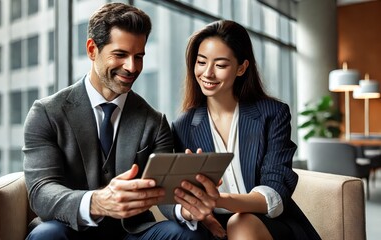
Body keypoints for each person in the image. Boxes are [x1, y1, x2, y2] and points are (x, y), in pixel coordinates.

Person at [22, 3, 210, 239]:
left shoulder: (154, 122)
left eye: (138, 56)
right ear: (92, 49)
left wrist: (186, 207)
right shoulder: (46, 113)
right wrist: (97, 202)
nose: (132, 67)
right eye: (120, 54)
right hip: (69, 229)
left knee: (189, 234)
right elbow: (41, 191)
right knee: (46, 235)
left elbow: (162, 195)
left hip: (132, 232)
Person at [171, 20, 321, 240]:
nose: (207, 73)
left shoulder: (272, 113)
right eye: (201, 62)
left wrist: (218, 200)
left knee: (240, 222)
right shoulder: (183, 125)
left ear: (241, 68)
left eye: (220, 65)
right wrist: (203, 214)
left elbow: (275, 192)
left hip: (270, 223)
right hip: (213, 228)